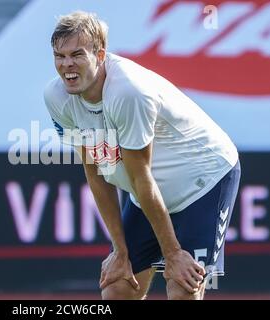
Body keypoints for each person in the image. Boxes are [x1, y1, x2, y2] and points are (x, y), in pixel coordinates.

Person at [43, 11, 241, 300]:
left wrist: (173, 254)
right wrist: (119, 251)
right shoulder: (56, 97)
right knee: (117, 287)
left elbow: (141, 176)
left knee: (182, 287)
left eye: (77, 55)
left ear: (100, 55)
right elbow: (95, 169)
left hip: (205, 179)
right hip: (148, 192)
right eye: (59, 56)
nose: (67, 65)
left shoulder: (128, 93)